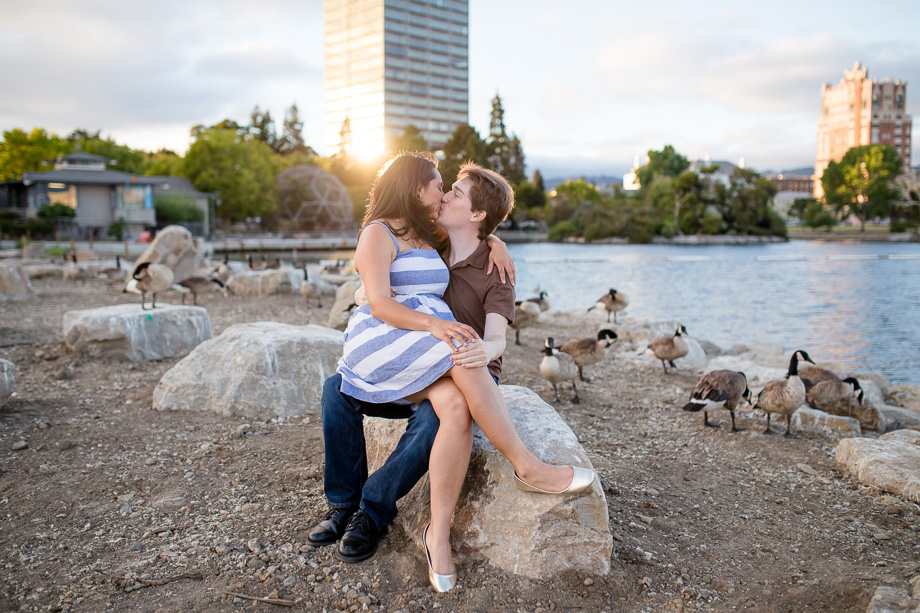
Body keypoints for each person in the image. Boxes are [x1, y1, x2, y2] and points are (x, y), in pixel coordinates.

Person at [312, 153, 596, 591]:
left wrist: (495, 244)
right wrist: (437, 324)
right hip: (423, 346)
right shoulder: (431, 235)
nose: (444, 195)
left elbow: (498, 337)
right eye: (440, 187)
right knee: (337, 389)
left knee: (448, 409)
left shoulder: (487, 262)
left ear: (476, 214)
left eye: (454, 191)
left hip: (464, 363)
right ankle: (346, 506)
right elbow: (382, 276)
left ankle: (396, 519)